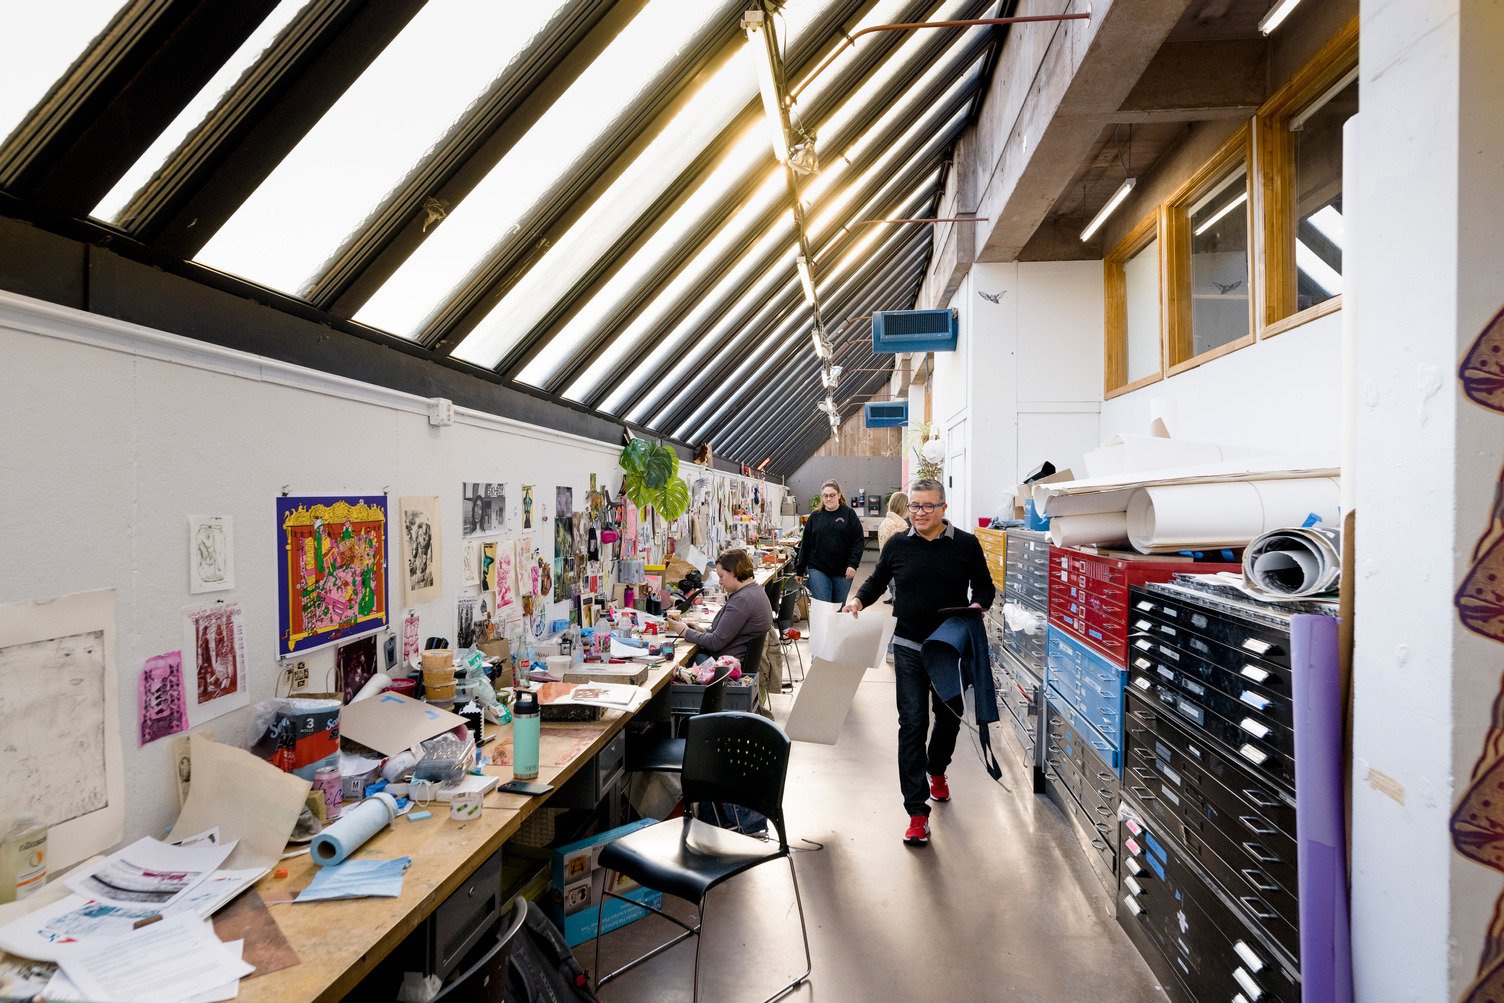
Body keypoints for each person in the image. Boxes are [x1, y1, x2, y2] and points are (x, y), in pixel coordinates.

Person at [843, 478, 995, 847]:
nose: (920, 513)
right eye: (914, 506)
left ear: (944, 508)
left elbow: (986, 588)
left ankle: (937, 769)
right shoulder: (898, 544)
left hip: (947, 650)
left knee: (949, 717)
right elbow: (877, 580)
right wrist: (857, 602)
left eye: (928, 506)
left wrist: (977, 609)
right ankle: (916, 812)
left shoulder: (965, 545)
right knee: (911, 724)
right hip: (909, 647)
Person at [663, 549, 772, 666]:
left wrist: (686, 632)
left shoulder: (742, 600)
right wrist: (703, 630)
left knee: (674, 662)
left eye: (721, 576)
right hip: (732, 659)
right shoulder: (755, 591)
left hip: (725, 667)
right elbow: (725, 634)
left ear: (733, 572)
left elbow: (715, 642)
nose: (719, 581)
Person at [796, 480, 864, 605]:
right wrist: (800, 569)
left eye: (832, 495)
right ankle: (822, 625)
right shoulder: (815, 516)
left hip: (843, 570)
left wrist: (853, 564)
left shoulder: (849, 514)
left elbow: (858, 541)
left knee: (838, 607)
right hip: (818, 568)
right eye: (825, 495)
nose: (828, 498)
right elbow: (805, 544)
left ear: (839, 495)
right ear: (822, 497)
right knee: (824, 606)